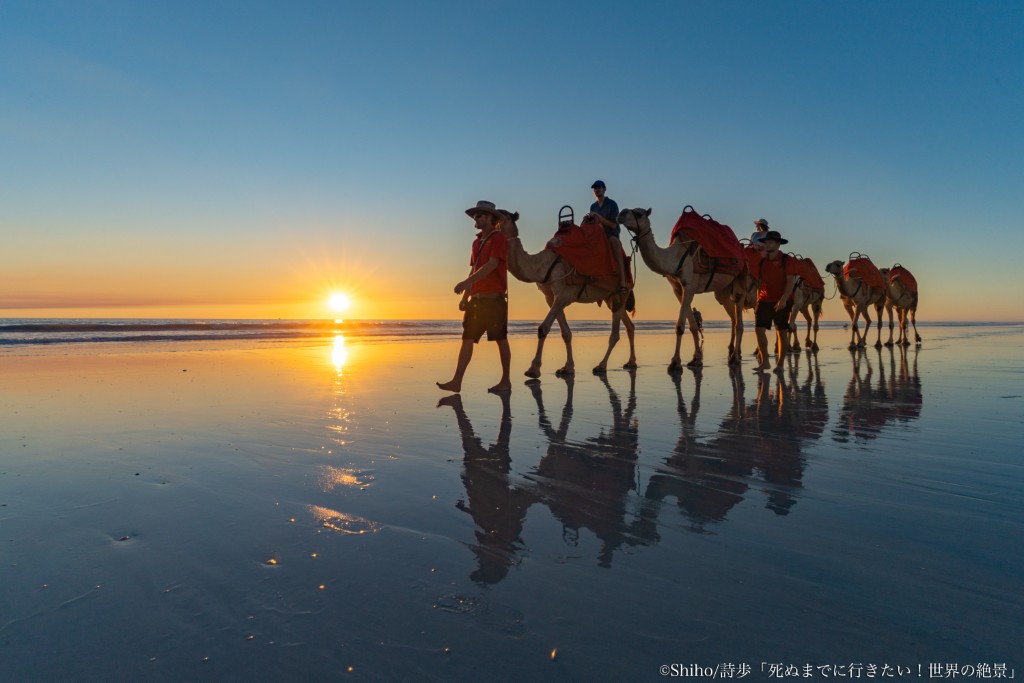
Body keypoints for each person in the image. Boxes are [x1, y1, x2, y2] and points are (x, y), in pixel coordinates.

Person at [437, 201, 512, 394]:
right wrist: (466, 296)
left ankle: (505, 381)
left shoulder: (499, 238)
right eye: (475, 216)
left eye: (479, 216)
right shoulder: (476, 242)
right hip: (476, 300)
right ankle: (457, 381)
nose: (476, 219)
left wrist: (464, 282)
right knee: (467, 339)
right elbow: (475, 267)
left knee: (500, 339)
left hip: (494, 299)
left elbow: (492, 265)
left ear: (490, 218)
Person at [753, 230, 798, 374]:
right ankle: (765, 362)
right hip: (764, 299)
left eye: (770, 242)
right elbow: (759, 283)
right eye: (766, 242)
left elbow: (790, 281)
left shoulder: (786, 260)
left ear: (778, 244)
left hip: (782, 300)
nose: (767, 244)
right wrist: (756, 301)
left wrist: (784, 299)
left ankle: (780, 364)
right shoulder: (762, 261)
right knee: (759, 330)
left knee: (781, 332)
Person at [585, 180, 627, 295]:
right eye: (595, 188)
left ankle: (623, 282)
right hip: (597, 235)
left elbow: (614, 225)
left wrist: (598, 217)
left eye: (599, 187)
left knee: (615, 244)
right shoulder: (593, 206)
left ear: (604, 189)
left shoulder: (612, 204)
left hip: (610, 234)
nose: (597, 190)